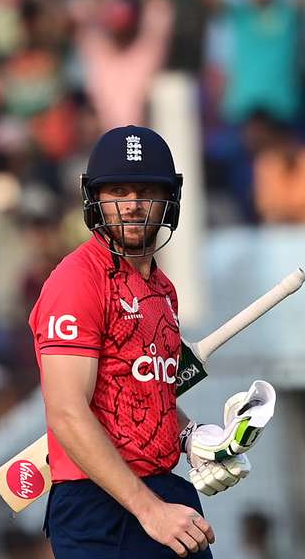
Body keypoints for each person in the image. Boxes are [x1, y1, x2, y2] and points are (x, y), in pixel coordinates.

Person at [33, 126, 253, 557]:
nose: (132, 205)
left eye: (146, 191)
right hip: (101, 505)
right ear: (93, 198)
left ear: (170, 198)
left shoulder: (162, 289)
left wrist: (194, 439)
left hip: (162, 489)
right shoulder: (77, 281)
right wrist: (150, 511)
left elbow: (149, 394)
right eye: (118, 191)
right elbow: (66, 411)